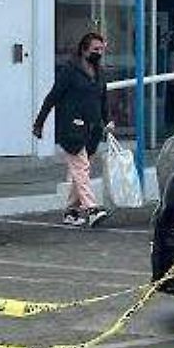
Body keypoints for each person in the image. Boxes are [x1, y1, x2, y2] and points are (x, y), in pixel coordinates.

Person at [32, 33, 113, 227]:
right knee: (81, 167)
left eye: (101, 50)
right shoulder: (70, 71)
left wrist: (107, 120)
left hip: (92, 129)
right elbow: (52, 97)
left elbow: (103, 99)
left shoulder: (100, 72)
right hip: (72, 128)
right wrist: (39, 123)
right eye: (95, 49)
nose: (99, 53)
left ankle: (71, 211)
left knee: (80, 171)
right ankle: (91, 209)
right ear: (84, 49)